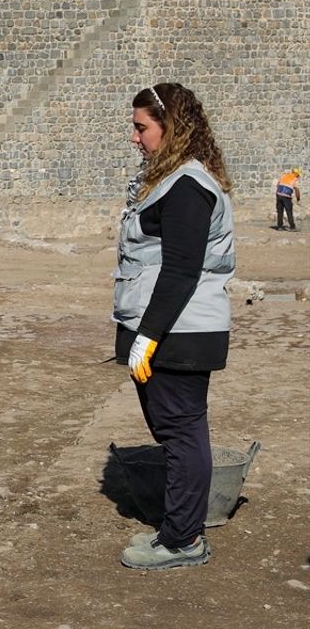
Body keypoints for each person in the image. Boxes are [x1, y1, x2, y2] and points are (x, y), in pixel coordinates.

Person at [113, 83, 235, 570]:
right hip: (171, 330)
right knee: (176, 430)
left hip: (179, 333)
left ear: (171, 127)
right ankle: (180, 531)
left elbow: (182, 270)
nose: (134, 137)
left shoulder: (187, 186)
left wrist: (147, 337)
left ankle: (183, 539)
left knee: (182, 432)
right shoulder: (174, 181)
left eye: (141, 127)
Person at [274, 166, 301, 231]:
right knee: (289, 211)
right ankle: (292, 227)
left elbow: (278, 184)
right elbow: (297, 190)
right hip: (286, 196)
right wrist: (298, 199)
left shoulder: (285, 175)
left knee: (280, 211)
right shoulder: (295, 179)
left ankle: (280, 226)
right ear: (297, 174)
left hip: (278, 194)